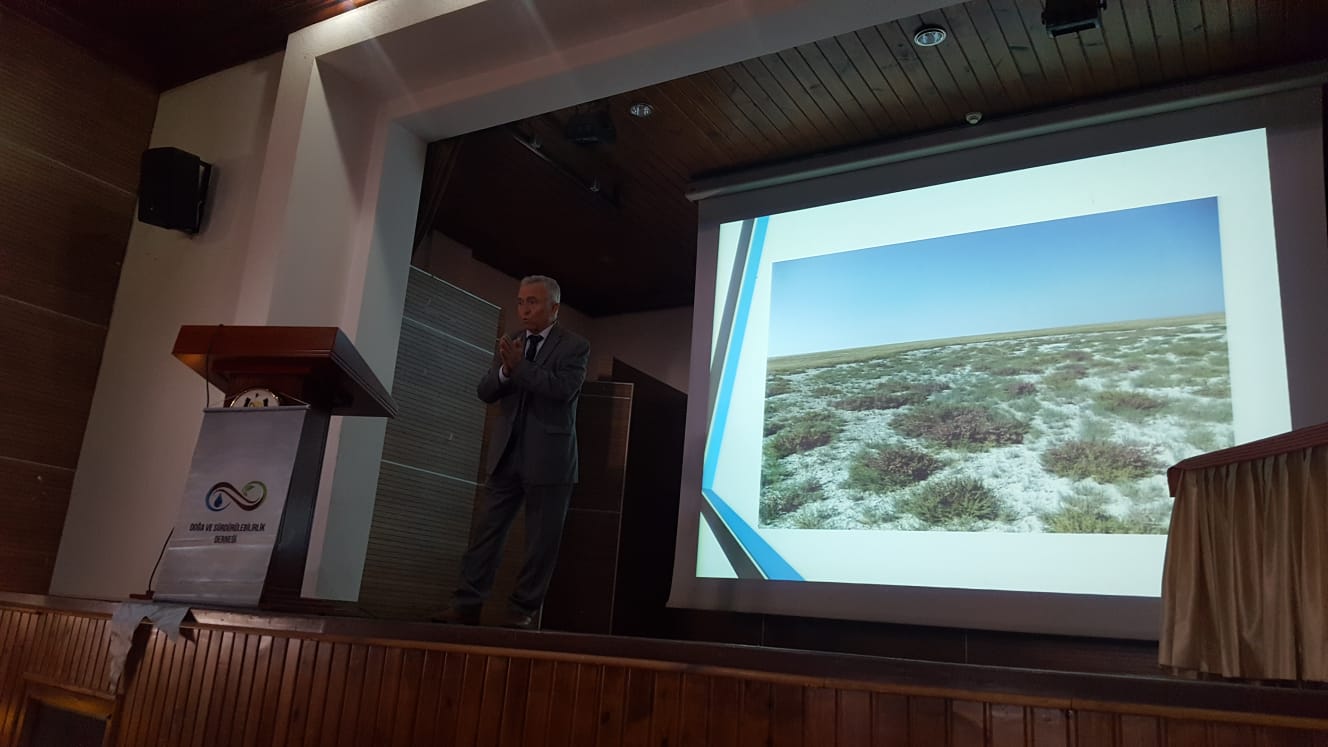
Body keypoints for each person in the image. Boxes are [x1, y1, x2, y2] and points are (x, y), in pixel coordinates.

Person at [434, 275, 590, 629]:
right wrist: (505, 371)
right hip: (506, 455)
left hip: (550, 459)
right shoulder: (512, 342)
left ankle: (522, 610)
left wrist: (520, 368)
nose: (524, 309)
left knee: (540, 543)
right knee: (485, 534)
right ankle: (466, 605)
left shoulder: (575, 346)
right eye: (520, 301)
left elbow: (562, 389)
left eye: (532, 302)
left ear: (554, 308)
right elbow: (485, 390)